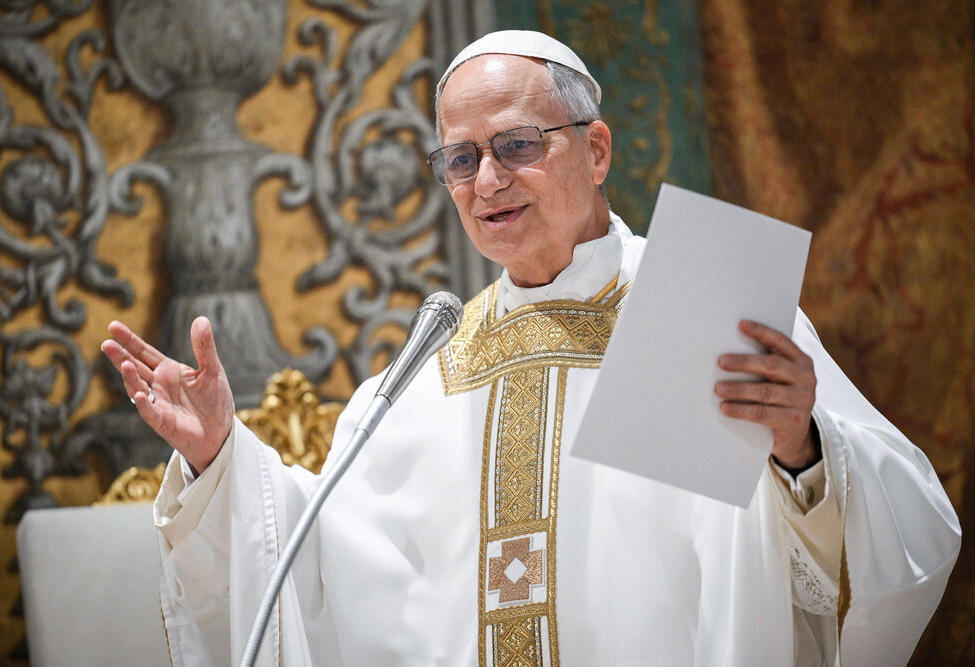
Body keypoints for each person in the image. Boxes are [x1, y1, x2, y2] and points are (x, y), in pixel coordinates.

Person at [102, 30, 960, 666]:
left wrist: (801, 449)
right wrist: (220, 456)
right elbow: (317, 568)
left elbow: (908, 525)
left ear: (595, 148)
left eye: (516, 146)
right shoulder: (428, 369)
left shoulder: (707, 309)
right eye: (461, 159)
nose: (488, 182)